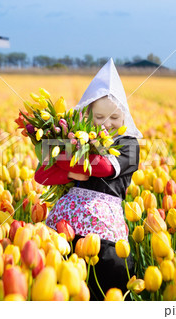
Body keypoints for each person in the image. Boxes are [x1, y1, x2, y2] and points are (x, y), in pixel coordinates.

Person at [34, 58, 142, 300]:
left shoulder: (129, 145)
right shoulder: (80, 142)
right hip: (67, 220)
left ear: (124, 118)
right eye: (100, 117)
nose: (107, 124)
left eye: (114, 118)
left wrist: (67, 157)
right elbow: (42, 175)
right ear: (88, 117)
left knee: (109, 268)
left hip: (103, 223)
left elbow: (104, 168)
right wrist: (71, 165)